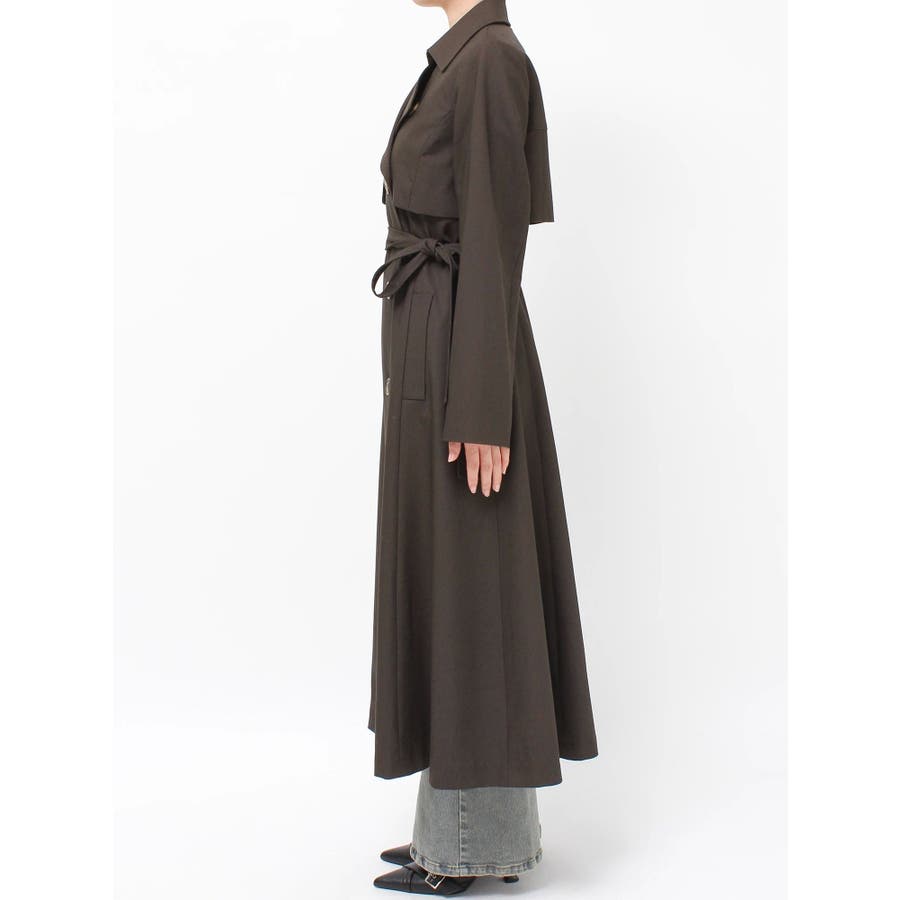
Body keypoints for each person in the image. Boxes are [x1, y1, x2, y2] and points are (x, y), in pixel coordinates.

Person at [369, 1, 598, 893]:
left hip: (464, 350)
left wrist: (480, 408)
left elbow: (497, 240)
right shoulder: (458, 58)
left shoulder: (492, 60)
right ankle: (454, 830)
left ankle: (468, 845)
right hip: (438, 336)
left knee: (474, 585)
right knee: (452, 579)